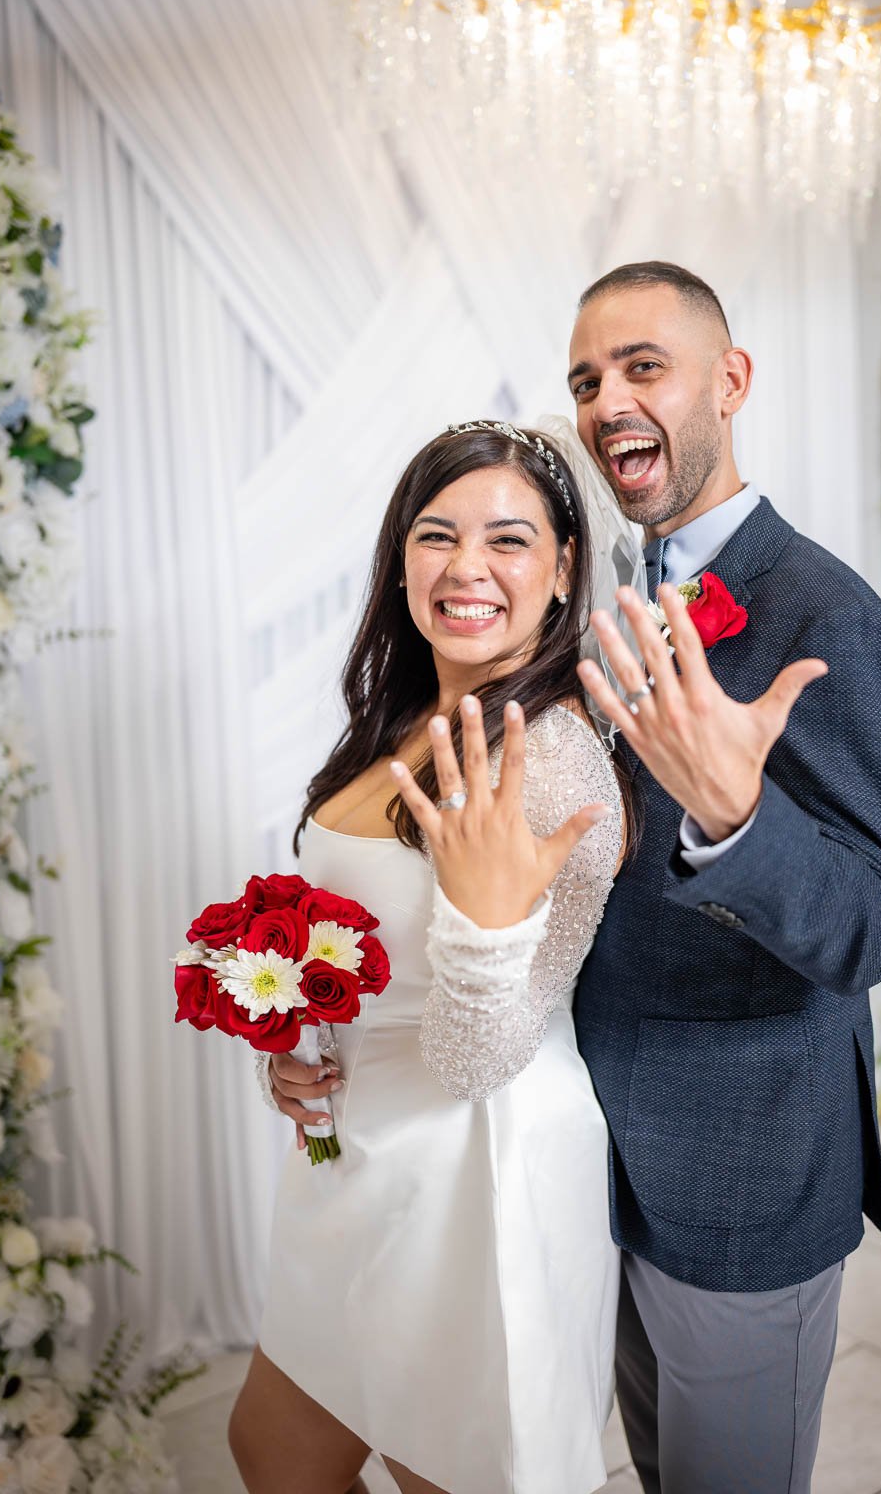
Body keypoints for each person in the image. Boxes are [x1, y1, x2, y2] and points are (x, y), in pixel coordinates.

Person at [228, 422, 633, 1494]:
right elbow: (358, 934)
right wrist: (295, 1040)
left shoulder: (548, 755)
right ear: (398, 557)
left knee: (449, 1468)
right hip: (362, 1140)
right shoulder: (401, 716)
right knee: (272, 1446)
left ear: (559, 575)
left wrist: (491, 922)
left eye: (507, 540)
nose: (464, 567)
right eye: (435, 533)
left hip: (476, 1161)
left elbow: (477, 1056)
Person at [569, 261, 881, 1494]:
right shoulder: (604, 596)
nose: (608, 399)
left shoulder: (829, 613)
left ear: (730, 382)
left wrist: (736, 815)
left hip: (742, 1166)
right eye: (587, 379)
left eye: (642, 366)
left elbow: (872, 925)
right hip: (598, 1154)